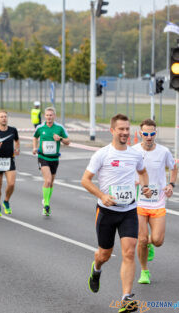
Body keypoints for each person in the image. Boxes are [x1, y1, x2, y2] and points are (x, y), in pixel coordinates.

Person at [81, 114, 151, 313]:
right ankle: (96, 269)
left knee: (129, 252)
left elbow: (143, 172)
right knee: (104, 254)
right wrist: (102, 195)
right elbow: (85, 180)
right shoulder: (102, 154)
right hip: (106, 212)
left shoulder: (135, 154)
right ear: (112, 131)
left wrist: (145, 187)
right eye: (121, 129)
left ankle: (126, 298)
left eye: (127, 129)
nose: (125, 133)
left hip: (128, 210)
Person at [132, 119, 177, 285]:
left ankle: (149, 244)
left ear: (155, 133)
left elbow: (173, 168)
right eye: (145, 134)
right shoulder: (134, 151)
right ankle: (144, 271)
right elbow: (127, 170)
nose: (149, 137)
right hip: (139, 202)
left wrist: (171, 184)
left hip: (158, 202)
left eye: (152, 134)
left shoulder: (164, 151)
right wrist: (134, 181)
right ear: (140, 133)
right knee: (141, 239)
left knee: (157, 240)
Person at [32, 107, 70, 216]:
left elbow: (68, 141)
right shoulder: (40, 127)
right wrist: (35, 148)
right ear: (45, 116)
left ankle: (46, 201)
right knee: (48, 180)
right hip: (43, 157)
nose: (49, 117)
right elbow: (35, 137)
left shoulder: (59, 128)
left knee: (51, 183)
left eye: (51, 115)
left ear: (54, 116)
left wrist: (61, 139)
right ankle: (46, 205)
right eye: (47, 115)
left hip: (54, 158)